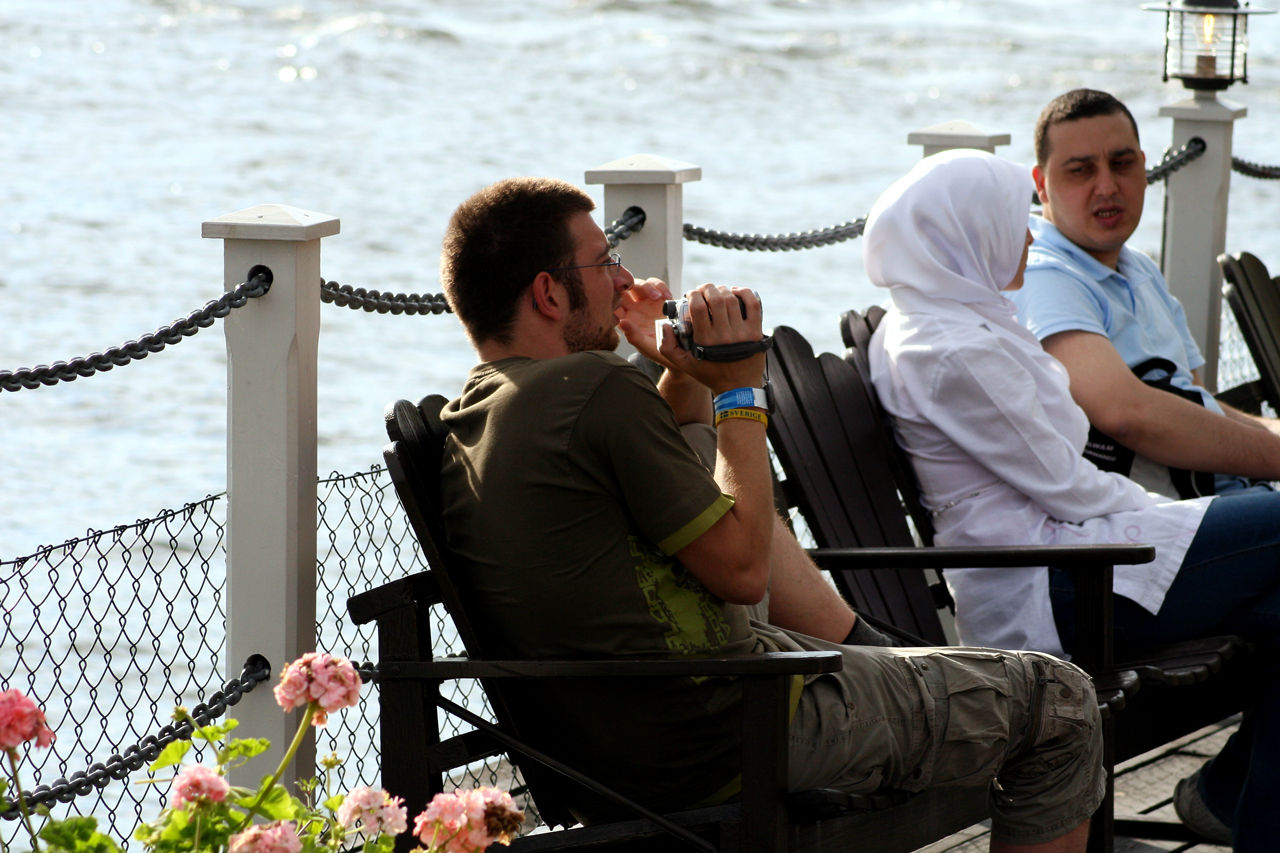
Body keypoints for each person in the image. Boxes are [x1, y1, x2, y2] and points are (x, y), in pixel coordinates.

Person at [434, 176, 1105, 852]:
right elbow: (744, 571)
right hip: (736, 729)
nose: (625, 278)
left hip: (624, 750)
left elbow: (673, 469)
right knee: (1062, 702)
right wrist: (741, 389)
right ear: (549, 294)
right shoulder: (595, 387)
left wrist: (686, 369)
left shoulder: (485, 413)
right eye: (605, 261)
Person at [866, 148, 1280, 851]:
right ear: (968, 231)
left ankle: (1234, 804)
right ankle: (1232, 802)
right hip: (1054, 584)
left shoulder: (954, 319)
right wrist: (1177, 515)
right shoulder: (948, 349)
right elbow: (1068, 487)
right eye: (1012, 221)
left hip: (1074, 557)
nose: (1030, 235)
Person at [1010, 87, 1280, 498]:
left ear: (1143, 166)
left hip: (1215, 500)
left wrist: (1271, 432)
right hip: (1147, 525)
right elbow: (1126, 415)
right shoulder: (1042, 276)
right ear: (1041, 184)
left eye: (1121, 164)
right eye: (1081, 171)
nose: (1106, 186)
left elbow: (1195, 399)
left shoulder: (1138, 268)